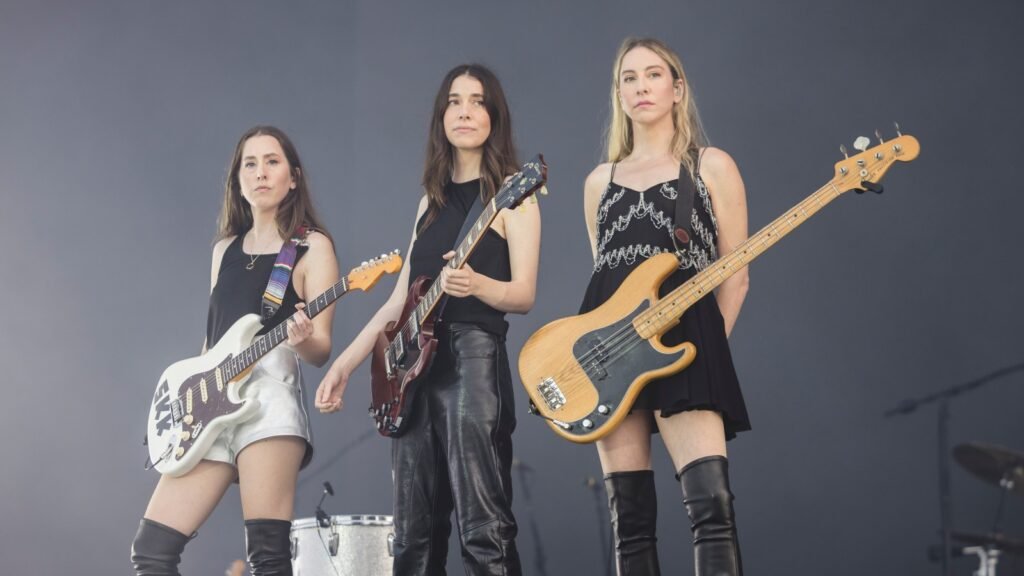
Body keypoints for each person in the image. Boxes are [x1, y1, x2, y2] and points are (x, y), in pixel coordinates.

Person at [316, 63, 541, 576]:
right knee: (413, 539)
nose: (465, 111)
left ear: (494, 115)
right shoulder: (429, 204)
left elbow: (525, 294)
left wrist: (478, 285)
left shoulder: (515, 195)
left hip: (473, 361)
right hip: (413, 373)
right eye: (454, 102)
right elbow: (399, 301)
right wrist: (345, 366)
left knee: (484, 530)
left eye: (477, 101)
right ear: (441, 116)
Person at [131, 125, 339, 576]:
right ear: (238, 180)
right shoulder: (224, 250)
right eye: (250, 164)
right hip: (210, 404)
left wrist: (302, 339)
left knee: (268, 557)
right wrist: (186, 401)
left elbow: (320, 348)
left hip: (269, 402)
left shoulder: (311, 247)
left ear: (293, 177)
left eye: (272, 162)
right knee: (151, 552)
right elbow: (212, 344)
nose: (260, 172)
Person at [578, 38, 751, 575]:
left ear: (677, 89)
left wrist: (705, 350)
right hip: (610, 353)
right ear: (619, 95)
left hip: (685, 343)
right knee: (628, 522)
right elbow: (605, 279)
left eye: (653, 75)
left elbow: (736, 274)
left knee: (711, 508)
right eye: (628, 78)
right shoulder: (599, 182)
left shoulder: (710, 165)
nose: (641, 87)